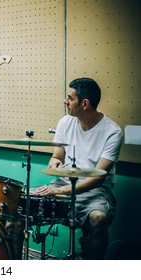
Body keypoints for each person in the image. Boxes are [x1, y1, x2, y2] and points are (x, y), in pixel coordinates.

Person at [32, 77, 122, 259]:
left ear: (85, 103)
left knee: (99, 218)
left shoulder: (113, 132)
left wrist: (60, 191)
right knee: (19, 204)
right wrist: (54, 162)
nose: (66, 101)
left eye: (70, 98)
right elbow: (57, 155)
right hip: (62, 183)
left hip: (95, 192)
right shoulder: (65, 122)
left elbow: (98, 179)